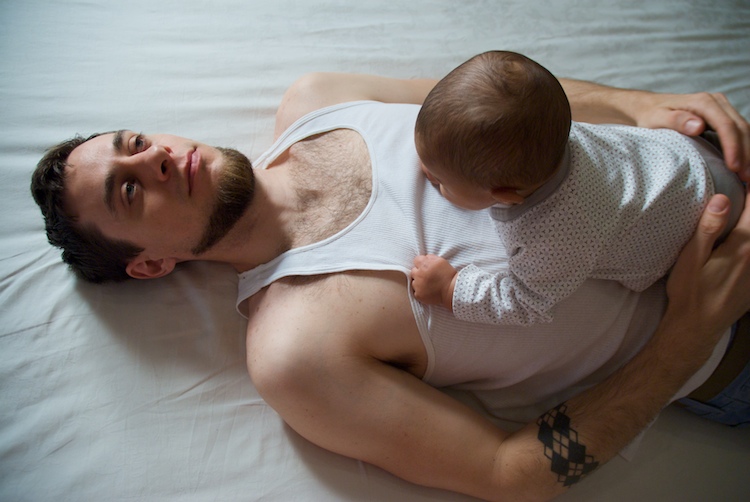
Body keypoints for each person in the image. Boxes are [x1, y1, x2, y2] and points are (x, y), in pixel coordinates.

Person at [30, 71, 750, 501]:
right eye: (129, 192)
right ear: (150, 265)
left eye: (135, 142)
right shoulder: (293, 347)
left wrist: (639, 105)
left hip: (708, 166)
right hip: (734, 337)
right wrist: (684, 341)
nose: (156, 158)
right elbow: (507, 475)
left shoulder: (323, 98)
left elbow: (497, 95)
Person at [411, 51, 744, 326]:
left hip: (711, 219)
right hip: (691, 149)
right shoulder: (549, 136)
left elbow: (528, 302)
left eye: (440, 180)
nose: (427, 173)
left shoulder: (552, 234)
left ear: (505, 195)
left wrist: (452, 289)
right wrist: (447, 169)